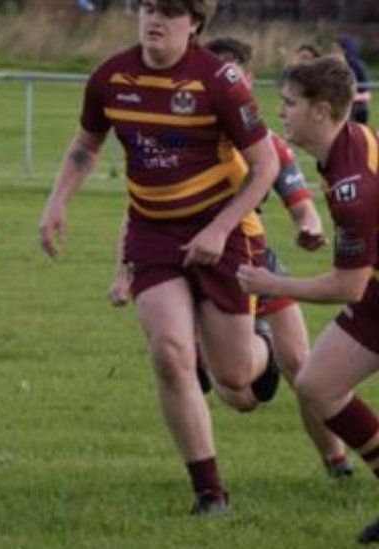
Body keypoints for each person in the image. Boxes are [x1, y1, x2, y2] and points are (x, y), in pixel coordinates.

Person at [39, 0, 281, 515]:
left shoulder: (220, 81)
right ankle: (210, 492)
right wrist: (57, 200)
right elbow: (86, 145)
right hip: (152, 234)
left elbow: (264, 167)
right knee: (171, 353)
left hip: (221, 232)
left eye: (170, 11)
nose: (155, 19)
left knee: (235, 378)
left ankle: (263, 345)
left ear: (194, 22)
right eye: (148, 6)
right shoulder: (110, 76)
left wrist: (218, 230)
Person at [111, 35, 351, 477]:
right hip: (188, 257)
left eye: (230, 75)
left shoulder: (267, 143)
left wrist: (309, 227)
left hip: (253, 259)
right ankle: (210, 353)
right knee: (237, 393)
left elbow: (301, 203)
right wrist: (123, 270)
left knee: (300, 365)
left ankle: (337, 463)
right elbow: (140, 207)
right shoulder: (176, 137)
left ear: (246, 79)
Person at [238, 56, 379, 543]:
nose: (282, 113)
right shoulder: (348, 143)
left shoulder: (351, 187)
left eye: (290, 104)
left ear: (321, 110)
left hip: (368, 289)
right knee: (317, 385)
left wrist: (272, 284)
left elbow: (347, 287)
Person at [332, 36, 371, 124]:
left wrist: (349, 98)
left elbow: (366, 94)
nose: (332, 52)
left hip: (355, 107)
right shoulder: (332, 66)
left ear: (345, 51)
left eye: (336, 49)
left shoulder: (357, 66)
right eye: (332, 49)